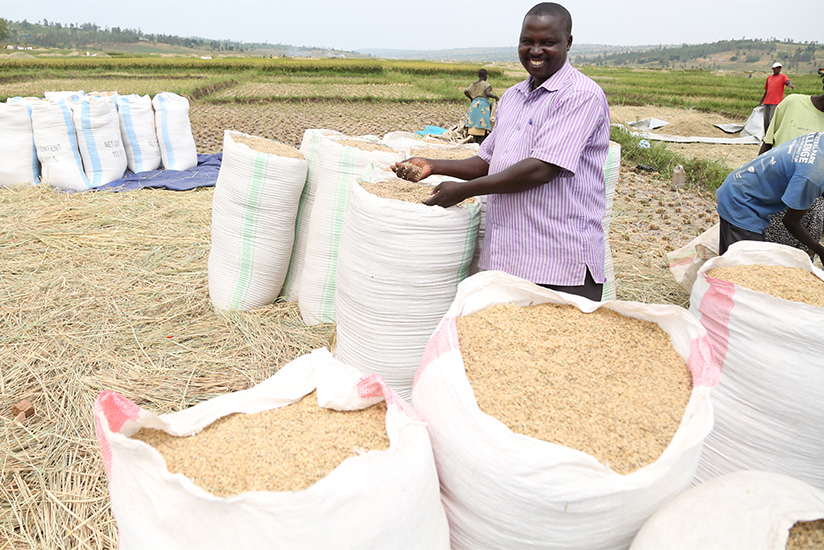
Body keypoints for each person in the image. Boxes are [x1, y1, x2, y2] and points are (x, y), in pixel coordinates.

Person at [392, 2, 610, 301]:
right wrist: (432, 164)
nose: (535, 51)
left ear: (568, 43)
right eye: (527, 41)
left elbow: (541, 169)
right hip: (508, 259)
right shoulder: (514, 97)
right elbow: (487, 160)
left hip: (559, 262)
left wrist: (464, 191)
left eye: (547, 42)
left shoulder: (580, 95)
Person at [716, 132, 824, 266]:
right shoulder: (811, 176)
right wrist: (820, 250)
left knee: (730, 266)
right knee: (747, 271)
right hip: (742, 203)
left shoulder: (819, 138)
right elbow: (791, 221)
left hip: (738, 185)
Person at [757, 93, 824, 256]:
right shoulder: (792, 103)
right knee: (772, 257)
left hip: (813, 201)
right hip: (778, 196)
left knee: (803, 263)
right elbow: (767, 145)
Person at [464, 69, 500, 144]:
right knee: (483, 122)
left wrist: (471, 98)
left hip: (474, 104)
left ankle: (474, 140)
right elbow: (488, 93)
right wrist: (496, 97)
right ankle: (481, 142)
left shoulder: (473, 84)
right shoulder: (485, 84)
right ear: (486, 76)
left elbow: (465, 91)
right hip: (482, 105)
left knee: (473, 122)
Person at [759, 62, 795, 131]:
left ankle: (771, 137)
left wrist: (790, 85)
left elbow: (788, 81)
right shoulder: (769, 78)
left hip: (775, 102)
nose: (778, 69)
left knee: (771, 120)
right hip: (767, 102)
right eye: (777, 68)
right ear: (773, 69)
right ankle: (766, 136)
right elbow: (766, 90)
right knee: (766, 121)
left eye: (779, 68)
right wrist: (761, 101)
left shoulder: (783, 76)